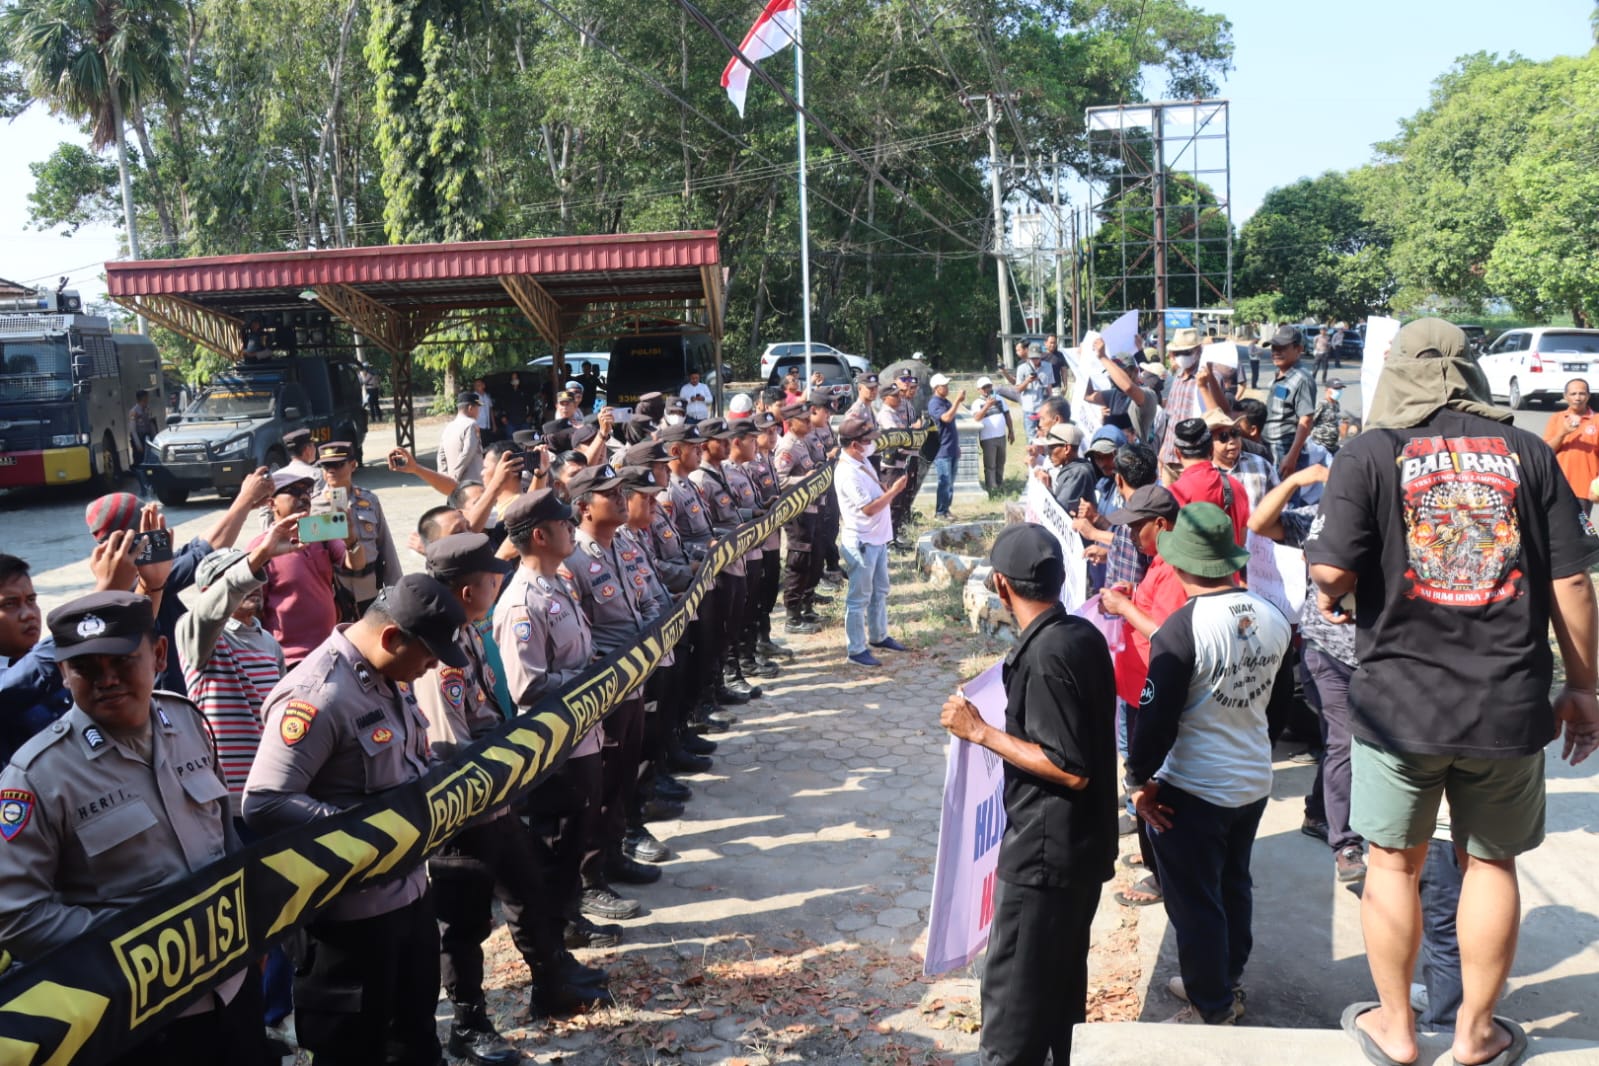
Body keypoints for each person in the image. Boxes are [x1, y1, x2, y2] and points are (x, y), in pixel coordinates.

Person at [1305, 318, 1599, 1066]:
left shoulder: (1367, 453)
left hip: (1396, 707)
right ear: (1472, 373)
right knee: (1489, 863)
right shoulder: (1529, 452)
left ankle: (1395, 1032)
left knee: (1392, 865)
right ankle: (1474, 1035)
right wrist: (1585, 686)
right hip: (1505, 702)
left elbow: (1331, 578)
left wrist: (1345, 583)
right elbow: (1571, 582)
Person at [0, 591, 270, 1066]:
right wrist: (139, 944)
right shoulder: (36, 776)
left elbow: (224, 838)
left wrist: (250, 936)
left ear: (159, 655)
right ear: (64, 672)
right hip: (137, 1020)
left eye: (122, 660)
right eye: (85, 666)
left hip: (231, 988)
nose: (106, 679)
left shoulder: (187, 722)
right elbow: (16, 915)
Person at [244, 574, 468, 1066]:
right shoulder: (317, 695)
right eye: (429, 656)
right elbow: (263, 802)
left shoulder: (389, 673)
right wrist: (370, 828)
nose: (432, 668)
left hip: (410, 896)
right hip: (349, 922)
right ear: (392, 638)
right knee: (354, 1050)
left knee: (414, 1038)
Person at [416, 532, 607, 1055]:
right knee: (465, 923)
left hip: (499, 799)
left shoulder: (470, 633)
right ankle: (468, 1022)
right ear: (465, 590)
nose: (497, 583)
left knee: (528, 892)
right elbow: (450, 747)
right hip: (465, 813)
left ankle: (552, 983)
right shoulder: (438, 657)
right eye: (487, 579)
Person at [939, 523, 1117, 1066]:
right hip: (1079, 851)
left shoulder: (1045, 657)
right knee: (1060, 999)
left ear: (999, 585)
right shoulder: (1081, 635)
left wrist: (982, 733)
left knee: (1013, 1014)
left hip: (1044, 859)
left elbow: (1069, 767)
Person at [1127, 503, 1292, 1025]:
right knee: (1233, 885)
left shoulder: (1181, 630)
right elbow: (1281, 707)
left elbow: (1155, 721)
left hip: (1193, 787)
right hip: (1251, 781)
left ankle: (1211, 1005)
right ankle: (1225, 978)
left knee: (1196, 903)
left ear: (1178, 565)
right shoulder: (1273, 615)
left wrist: (1138, 782)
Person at [1247, 463, 1367, 883]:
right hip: (1326, 652)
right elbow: (1260, 524)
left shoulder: (1394, 517)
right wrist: (1297, 481)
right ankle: (1346, 844)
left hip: (1380, 653)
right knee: (1345, 742)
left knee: (1350, 744)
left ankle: (1319, 813)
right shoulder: (1319, 519)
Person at [249, 471, 363, 667]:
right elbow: (253, 612)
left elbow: (356, 564)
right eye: (293, 491)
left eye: (307, 491)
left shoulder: (321, 532)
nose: (303, 497)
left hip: (330, 651)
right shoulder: (260, 548)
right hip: (290, 659)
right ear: (271, 504)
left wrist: (351, 539)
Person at [834, 415, 909, 667]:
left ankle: (879, 635)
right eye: (867, 440)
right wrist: (894, 491)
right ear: (855, 444)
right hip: (862, 542)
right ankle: (856, 649)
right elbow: (868, 508)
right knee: (859, 598)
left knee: (880, 591)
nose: (871, 444)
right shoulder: (847, 472)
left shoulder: (861, 459)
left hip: (876, 539)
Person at [317, 441, 403, 612]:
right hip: (334, 592)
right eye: (326, 466)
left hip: (369, 588)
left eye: (338, 465)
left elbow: (385, 544)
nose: (331, 471)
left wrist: (396, 590)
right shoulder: (314, 506)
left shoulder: (369, 500)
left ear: (353, 465)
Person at [773, 401, 825, 633]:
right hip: (797, 513)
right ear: (790, 423)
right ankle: (792, 616)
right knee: (798, 560)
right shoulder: (787, 446)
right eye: (803, 420)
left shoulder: (802, 442)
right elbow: (780, 481)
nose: (808, 422)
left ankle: (805, 605)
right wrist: (805, 479)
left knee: (810, 559)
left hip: (810, 509)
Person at [1156, 328, 1227, 479]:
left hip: (1192, 460)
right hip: (1170, 457)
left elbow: (1221, 415)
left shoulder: (1209, 377)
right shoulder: (1178, 376)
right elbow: (1172, 418)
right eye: (1177, 353)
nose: (1181, 357)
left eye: (1186, 352)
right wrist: (1163, 452)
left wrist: (1206, 384)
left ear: (1198, 351)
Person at [1167, 419, 1249, 547]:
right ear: (1211, 449)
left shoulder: (1173, 494)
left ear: (1177, 453)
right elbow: (1242, 539)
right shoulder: (1236, 486)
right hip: (1233, 565)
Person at [1263, 326, 1318, 478]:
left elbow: (1306, 420)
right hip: (1270, 446)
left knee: (1286, 500)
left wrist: (1292, 456)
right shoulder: (1281, 374)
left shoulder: (1302, 379)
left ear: (1298, 349)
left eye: (1282, 348)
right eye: (1274, 348)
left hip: (1285, 449)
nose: (1276, 352)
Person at [1543, 377, 1599, 518]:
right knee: (1555, 529)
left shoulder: (1597, 420)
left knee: (1579, 530)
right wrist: (1562, 433)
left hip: (1583, 487)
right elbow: (1546, 451)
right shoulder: (1557, 418)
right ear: (1565, 396)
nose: (1578, 398)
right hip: (1557, 486)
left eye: (1582, 394)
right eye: (1573, 394)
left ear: (1588, 396)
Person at [1205, 407, 1278, 512]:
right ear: (1209, 443)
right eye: (1223, 436)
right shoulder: (1204, 473)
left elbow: (1279, 503)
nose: (1232, 441)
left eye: (1235, 433)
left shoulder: (1261, 464)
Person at [1033, 423, 1095, 517]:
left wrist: (1046, 488)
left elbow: (1059, 513)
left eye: (1051, 448)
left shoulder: (1077, 473)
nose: (1048, 453)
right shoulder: (1075, 468)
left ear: (1066, 448)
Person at [925, 373, 965, 520]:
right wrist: (958, 401)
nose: (947, 388)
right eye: (944, 386)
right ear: (936, 388)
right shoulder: (934, 403)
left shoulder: (945, 402)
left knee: (950, 482)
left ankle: (946, 509)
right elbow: (946, 418)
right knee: (944, 481)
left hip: (951, 447)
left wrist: (957, 446)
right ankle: (940, 512)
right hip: (941, 450)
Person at [972, 377, 1014, 495]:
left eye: (989, 386)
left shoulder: (999, 399)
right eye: (984, 387)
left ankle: (999, 484)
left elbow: (1007, 414)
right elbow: (976, 418)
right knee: (990, 464)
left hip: (1001, 436)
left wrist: (1011, 430)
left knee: (1001, 462)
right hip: (987, 437)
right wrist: (987, 405)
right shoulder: (977, 403)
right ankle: (992, 487)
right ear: (979, 389)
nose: (987, 389)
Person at [440, 391, 486, 483]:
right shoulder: (471, 425)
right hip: (470, 482)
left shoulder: (449, 427)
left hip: (452, 482)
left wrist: (444, 477)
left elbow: (441, 454)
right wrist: (455, 476)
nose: (479, 412)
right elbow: (468, 452)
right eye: (477, 408)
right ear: (470, 408)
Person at [1014, 343, 1056, 439]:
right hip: (1030, 410)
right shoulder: (1022, 368)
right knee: (1031, 439)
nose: (1034, 360)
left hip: (1044, 409)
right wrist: (1027, 381)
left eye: (1036, 357)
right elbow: (1018, 389)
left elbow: (1049, 387)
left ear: (1041, 356)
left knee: (1045, 437)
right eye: (1032, 358)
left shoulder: (1048, 366)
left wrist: (1052, 405)